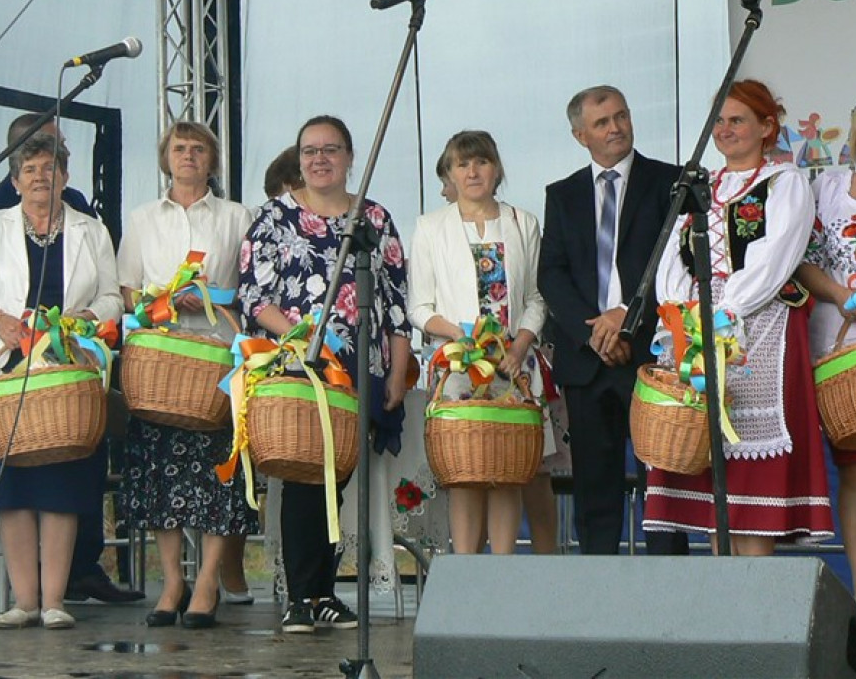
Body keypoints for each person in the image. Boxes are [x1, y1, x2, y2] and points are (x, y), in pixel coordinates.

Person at [238, 114, 411, 634]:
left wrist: (398, 375)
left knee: (338, 480)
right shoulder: (273, 218)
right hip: (298, 368)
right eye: (310, 150)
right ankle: (301, 596)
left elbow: (397, 305)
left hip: (361, 369)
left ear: (350, 157)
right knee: (303, 475)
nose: (319, 159)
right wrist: (300, 338)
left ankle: (321, 592)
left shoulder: (375, 220)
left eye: (330, 150)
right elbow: (253, 295)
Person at [644, 79, 833, 553]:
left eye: (738, 120)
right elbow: (672, 255)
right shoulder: (700, 187)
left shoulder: (783, 182)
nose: (726, 130)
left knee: (750, 483)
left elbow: (777, 256)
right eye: (720, 121)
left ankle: (756, 614)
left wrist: (723, 311)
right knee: (712, 479)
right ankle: (725, 612)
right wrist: (683, 309)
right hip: (696, 327)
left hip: (759, 332)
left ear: (767, 127)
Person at [0, 112, 141, 605]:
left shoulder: (92, 229)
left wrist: (82, 318)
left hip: (69, 364)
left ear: (67, 176)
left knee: (63, 483)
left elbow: (111, 298)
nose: (42, 177)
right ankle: (24, 603)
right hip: (5, 364)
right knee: (15, 486)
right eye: (32, 168)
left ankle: (55, 602)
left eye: (51, 168)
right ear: (15, 178)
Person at [538, 85, 688, 556]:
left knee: (661, 485)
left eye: (621, 116)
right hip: (588, 359)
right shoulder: (561, 195)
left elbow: (673, 263)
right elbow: (552, 273)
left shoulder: (670, 182)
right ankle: (599, 596)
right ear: (581, 135)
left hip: (649, 354)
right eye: (602, 122)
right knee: (594, 487)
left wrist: (627, 320)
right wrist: (597, 332)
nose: (616, 127)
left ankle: (669, 594)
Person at [118, 121, 257, 628]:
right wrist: (163, 304)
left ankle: (208, 583)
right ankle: (172, 579)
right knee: (159, 474)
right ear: (165, 157)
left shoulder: (237, 217)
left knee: (217, 475)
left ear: (212, 160)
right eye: (180, 148)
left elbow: (252, 289)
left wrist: (208, 300)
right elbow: (127, 290)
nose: (189, 156)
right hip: (158, 362)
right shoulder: (141, 218)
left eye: (199, 149)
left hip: (216, 358)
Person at [408, 130, 550, 554]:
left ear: (496, 168)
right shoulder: (430, 227)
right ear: (449, 174)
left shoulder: (523, 222)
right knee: (465, 468)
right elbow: (419, 306)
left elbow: (536, 298)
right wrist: (462, 338)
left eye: (481, 162)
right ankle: (465, 566)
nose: (473, 171)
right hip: (457, 365)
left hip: (512, 363)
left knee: (506, 469)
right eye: (462, 164)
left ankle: (502, 569)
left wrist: (520, 345)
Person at [798, 90, 856, 625]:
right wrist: (843, 295)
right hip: (843, 350)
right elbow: (801, 261)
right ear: (855, 134)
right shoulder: (827, 188)